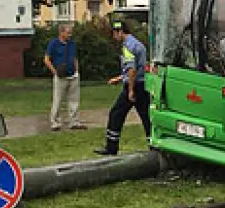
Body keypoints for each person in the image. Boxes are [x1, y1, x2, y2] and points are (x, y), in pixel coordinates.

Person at [95, 19, 150, 156]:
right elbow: (139, 68)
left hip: (133, 86)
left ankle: (111, 147)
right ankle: (154, 145)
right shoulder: (138, 44)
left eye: (114, 33)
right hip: (143, 84)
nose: (114, 37)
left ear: (119, 32)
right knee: (146, 117)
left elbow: (131, 70)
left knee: (116, 114)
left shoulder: (127, 47)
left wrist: (130, 90)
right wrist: (119, 78)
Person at [44, 22, 84, 131]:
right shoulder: (54, 43)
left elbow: (74, 57)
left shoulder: (72, 44)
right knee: (58, 99)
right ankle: (55, 122)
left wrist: (77, 71)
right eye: (68, 33)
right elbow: (47, 59)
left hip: (73, 75)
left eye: (71, 33)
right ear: (61, 33)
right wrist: (54, 71)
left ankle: (74, 121)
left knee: (74, 100)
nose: (70, 35)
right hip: (60, 76)